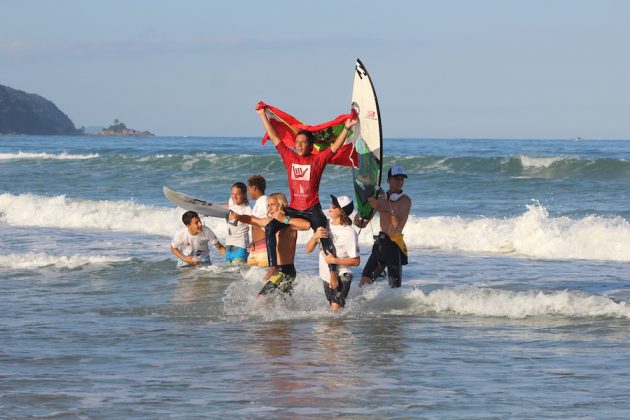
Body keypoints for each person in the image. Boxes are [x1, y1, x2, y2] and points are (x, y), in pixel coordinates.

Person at [255, 103, 358, 283]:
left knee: (323, 232)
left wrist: (347, 128)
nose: (299, 145)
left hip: (311, 208)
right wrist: (262, 115)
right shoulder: (290, 157)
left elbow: (335, 147)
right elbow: (274, 136)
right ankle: (273, 266)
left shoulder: (318, 160)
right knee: (270, 228)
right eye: (297, 142)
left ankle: (333, 271)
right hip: (294, 208)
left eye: (303, 143)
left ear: (311, 146)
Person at [230, 192, 310, 295]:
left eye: (272, 204)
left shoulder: (289, 225)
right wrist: (239, 217)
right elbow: (251, 219)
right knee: (284, 303)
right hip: (282, 272)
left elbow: (306, 225)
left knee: (261, 297)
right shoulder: (270, 223)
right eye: (268, 205)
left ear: (281, 205)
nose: (269, 208)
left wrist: (284, 219)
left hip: (284, 272)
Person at [354, 166, 411, 288]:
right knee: (363, 283)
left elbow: (396, 225)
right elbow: (364, 223)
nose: (399, 182)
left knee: (394, 289)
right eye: (396, 179)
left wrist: (385, 207)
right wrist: (360, 218)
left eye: (402, 179)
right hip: (380, 245)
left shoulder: (406, 200)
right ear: (388, 180)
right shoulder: (381, 198)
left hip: (394, 247)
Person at [306, 195, 360, 311]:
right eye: (331, 204)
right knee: (333, 311)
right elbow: (308, 249)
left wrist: (334, 260)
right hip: (326, 274)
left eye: (334, 206)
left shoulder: (349, 232)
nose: (330, 207)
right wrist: (315, 237)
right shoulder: (324, 224)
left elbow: (356, 261)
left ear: (341, 211)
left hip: (342, 274)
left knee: (335, 308)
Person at [225, 182, 252, 265]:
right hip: (228, 246)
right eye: (232, 194)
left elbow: (253, 228)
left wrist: (253, 244)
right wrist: (210, 211)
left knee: (238, 273)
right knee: (231, 276)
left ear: (244, 194)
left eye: (237, 194)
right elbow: (227, 206)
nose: (234, 197)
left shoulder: (248, 210)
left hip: (241, 247)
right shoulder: (231, 201)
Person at [245, 175, 269, 267]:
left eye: (249, 189)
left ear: (254, 188)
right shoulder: (258, 203)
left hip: (263, 248)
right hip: (255, 247)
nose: (248, 192)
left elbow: (269, 224)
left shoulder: (265, 202)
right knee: (248, 278)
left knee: (263, 278)